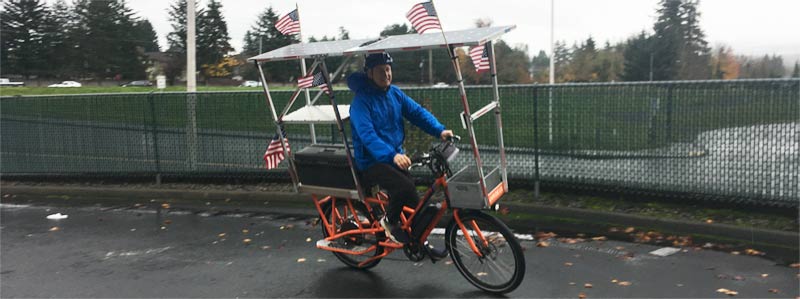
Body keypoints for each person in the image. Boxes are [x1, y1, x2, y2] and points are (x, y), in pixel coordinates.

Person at [348, 52, 453, 244]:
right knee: (403, 187)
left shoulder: (394, 93)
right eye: (381, 71)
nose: (386, 74)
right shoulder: (360, 102)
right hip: (371, 161)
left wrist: (440, 130)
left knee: (413, 200)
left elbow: (417, 113)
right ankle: (389, 222)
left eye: (388, 70)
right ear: (369, 74)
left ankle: (417, 242)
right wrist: (392, 155)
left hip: (393, 155)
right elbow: (367, 136)